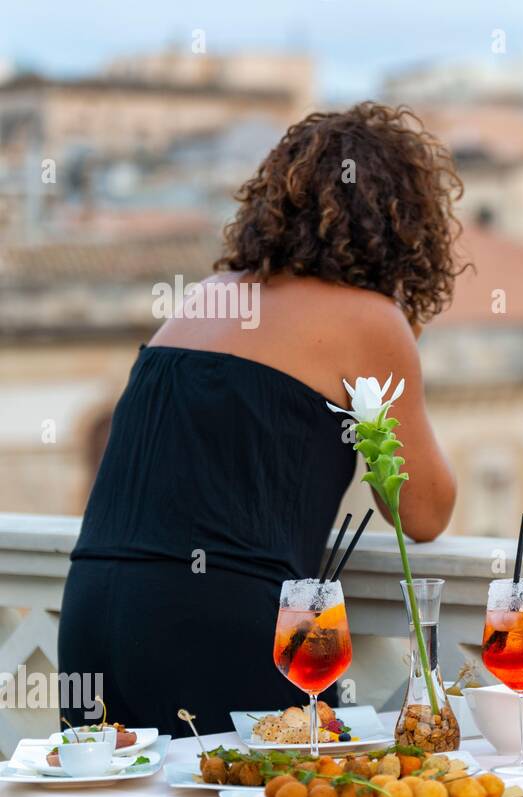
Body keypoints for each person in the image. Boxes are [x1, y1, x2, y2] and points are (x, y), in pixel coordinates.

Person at [58, 103, 461, 736]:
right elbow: (426, 514)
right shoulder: (367, 321)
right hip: (219, 620)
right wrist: (399, 346)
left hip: (92, 614)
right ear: (405, 228)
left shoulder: (205, 298)